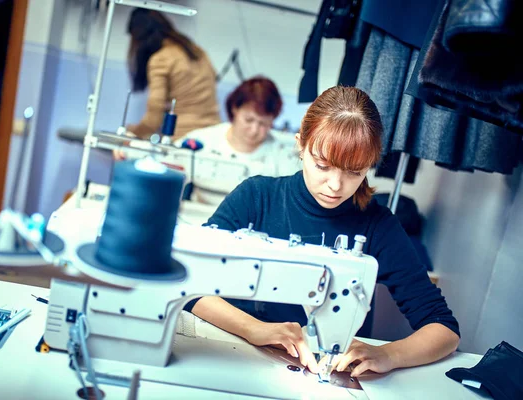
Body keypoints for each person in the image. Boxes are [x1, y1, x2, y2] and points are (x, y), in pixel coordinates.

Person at [185, 86, 460, 377]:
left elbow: (444, 329)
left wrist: (388, 354)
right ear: (300, 145)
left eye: (355, 172)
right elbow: (190, 281)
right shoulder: (256, 198)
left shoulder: (378, 226)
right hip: (236, 357)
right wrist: (254, 328)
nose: (335, 185)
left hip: (325, 371)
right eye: (322, 166)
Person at [176, 77, 301, 205]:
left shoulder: (283, 157)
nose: (254, 130)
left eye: (263, 124)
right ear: (234, 109)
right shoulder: (202, 141)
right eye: (248, 120)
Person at [124, 8, 220, 141]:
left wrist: (130, 133)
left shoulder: (161, 59)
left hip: (183, 138)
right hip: (212, 135)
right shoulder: (197, 51)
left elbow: (153, 119)